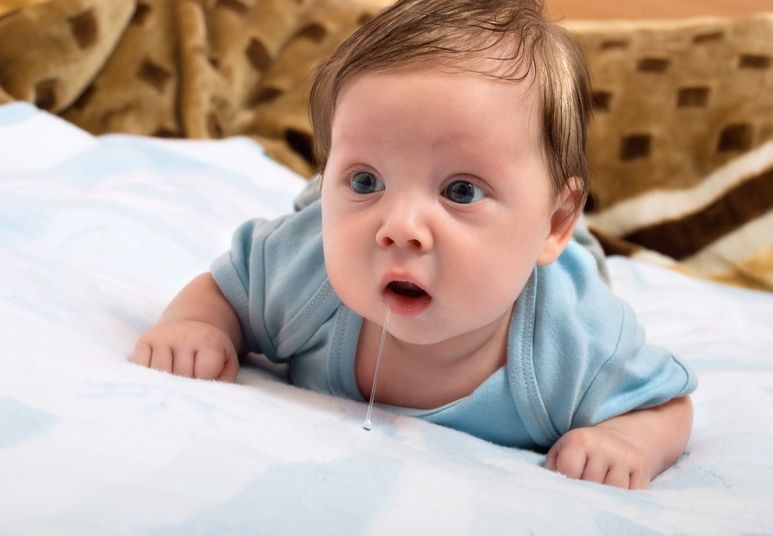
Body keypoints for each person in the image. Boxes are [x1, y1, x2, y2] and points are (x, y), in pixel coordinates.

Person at [131, 0, 696, 490]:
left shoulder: (576, 343)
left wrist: (629, 440)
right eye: (365, 179)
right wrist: (198, 327)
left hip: (554, 264)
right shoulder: (303, 271)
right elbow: (225, 290)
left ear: (553, 223)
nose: (399, 225)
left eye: (460, 190)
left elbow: (666, 405)